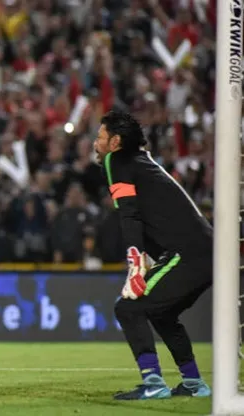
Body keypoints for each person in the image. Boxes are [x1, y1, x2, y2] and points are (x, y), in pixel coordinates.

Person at [93, 110, 212, 400]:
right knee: (163, 313)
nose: (95, 143)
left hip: (187, 253)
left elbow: (130, 216)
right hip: (205, 252)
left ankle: (153, 382)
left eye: (100, 137)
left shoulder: (117, 160)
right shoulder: (142, 163)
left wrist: (135, 264)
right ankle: (194, 383)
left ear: (116, 142)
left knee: (128, 308)